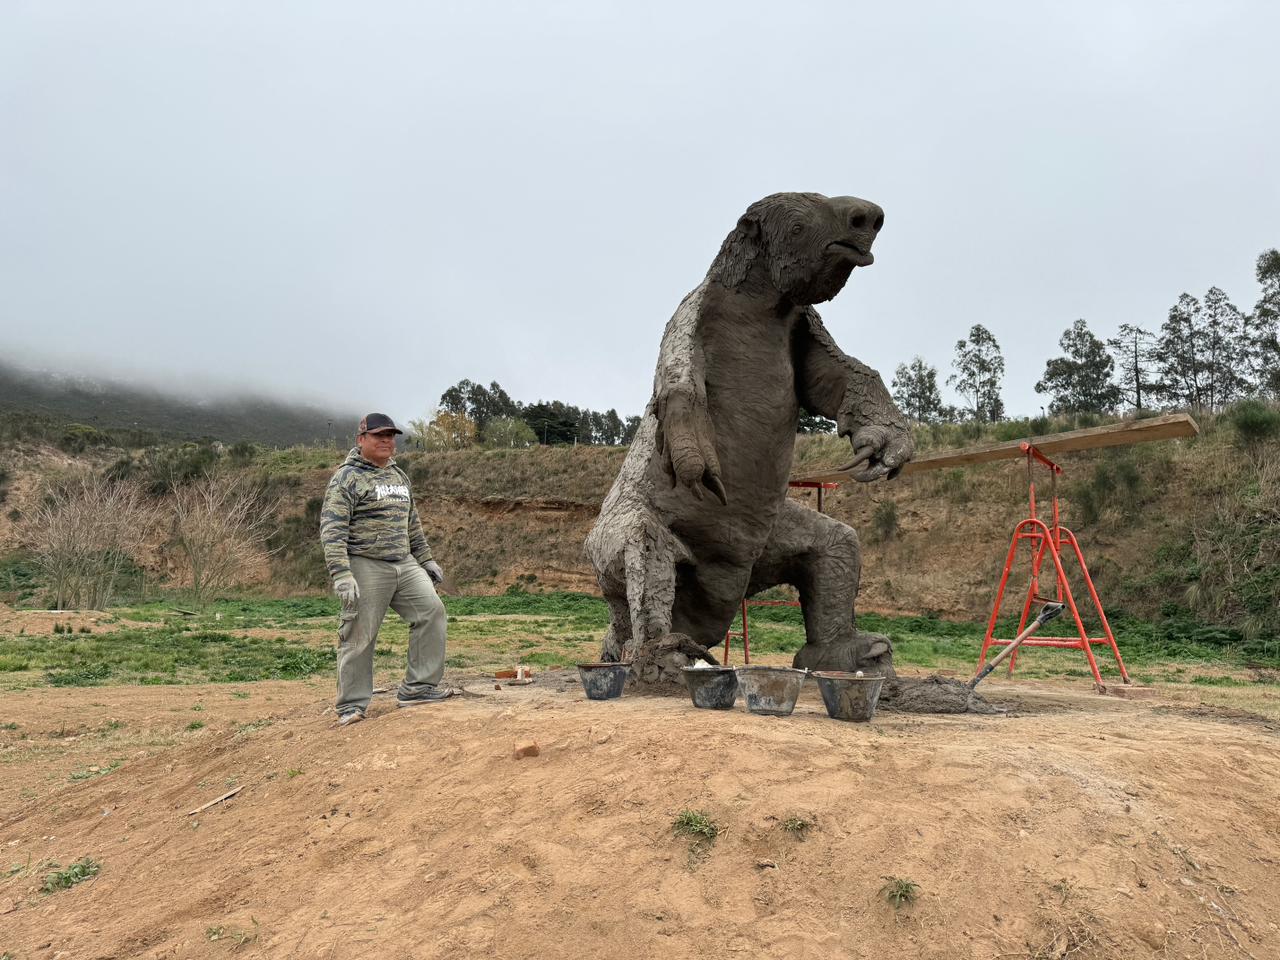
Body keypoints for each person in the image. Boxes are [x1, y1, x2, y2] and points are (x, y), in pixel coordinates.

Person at [320, 413, 452, 725]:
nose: (386, 441)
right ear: (361, 440)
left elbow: (412, 524)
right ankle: (351, 705)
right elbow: (332, 529)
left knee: (431, 612)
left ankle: (418, 688)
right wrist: (341, 573)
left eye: (391, 436)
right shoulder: (346, 478)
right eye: (379, 436)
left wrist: (426, 559)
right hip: (365, 563)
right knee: (360, 633)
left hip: (404, 562)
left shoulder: (399, 476)